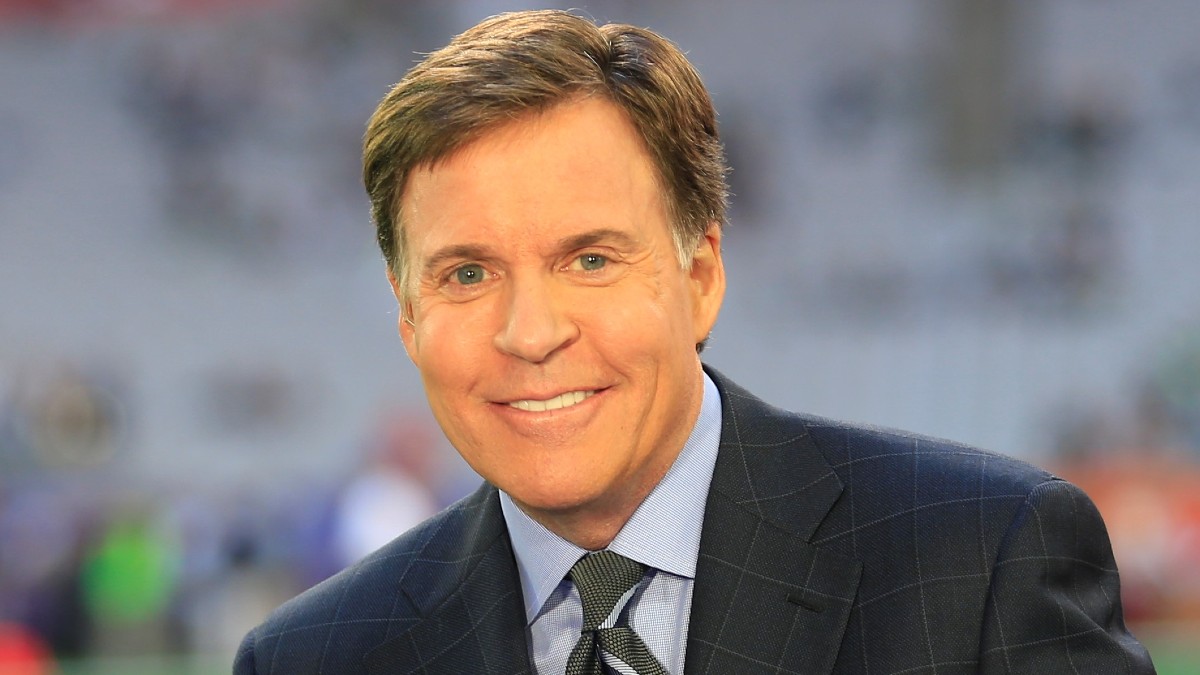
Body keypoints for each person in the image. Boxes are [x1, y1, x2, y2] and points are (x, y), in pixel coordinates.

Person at [235, 10, 1154, 674]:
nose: (531, 333)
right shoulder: (312, 656)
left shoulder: (983, 562)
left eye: (590, 259)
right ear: (407, 315)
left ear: (702, 275)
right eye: (467, 274)